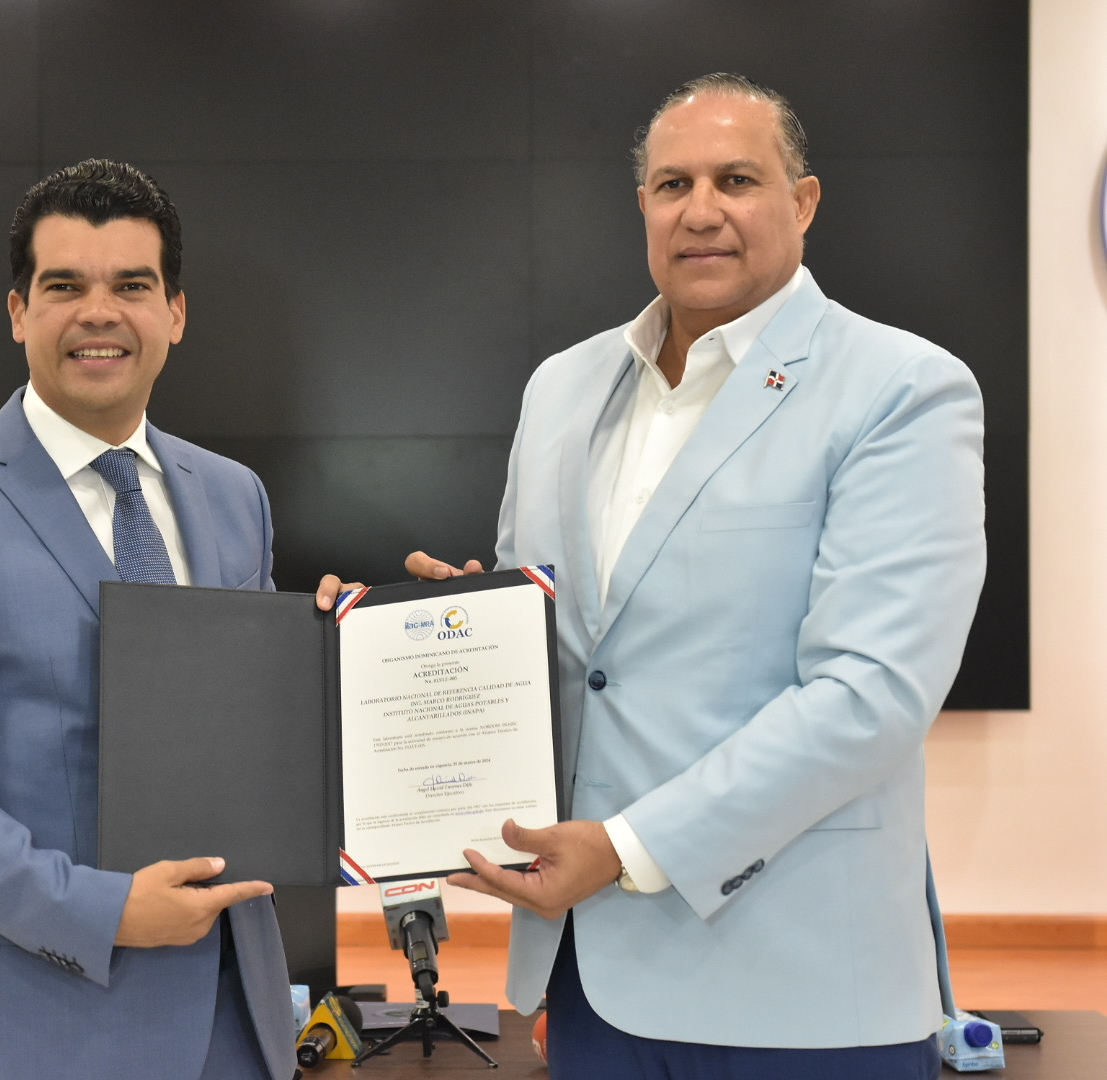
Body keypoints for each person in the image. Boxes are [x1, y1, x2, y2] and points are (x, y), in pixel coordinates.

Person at [321, 73, 984, 1078]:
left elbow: (872, 695)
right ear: (643, 208)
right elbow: (578, 653)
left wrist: (628, 848)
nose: (701, 211)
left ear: (803, 202)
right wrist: (465, 629)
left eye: (737, 180)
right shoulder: (561, 388)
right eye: (674, 185)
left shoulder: (902, 389)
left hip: (803, 991)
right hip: (592, 982)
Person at [0, 159, 296, 1080]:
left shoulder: (235, 497)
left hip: (236, 1020)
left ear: (175, 312)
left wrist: (357, 651)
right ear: (18, 313)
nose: (99, 313)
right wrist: (104, 910)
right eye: (64, 287)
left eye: (132, 286)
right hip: (41, 1024)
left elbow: (248, 729)